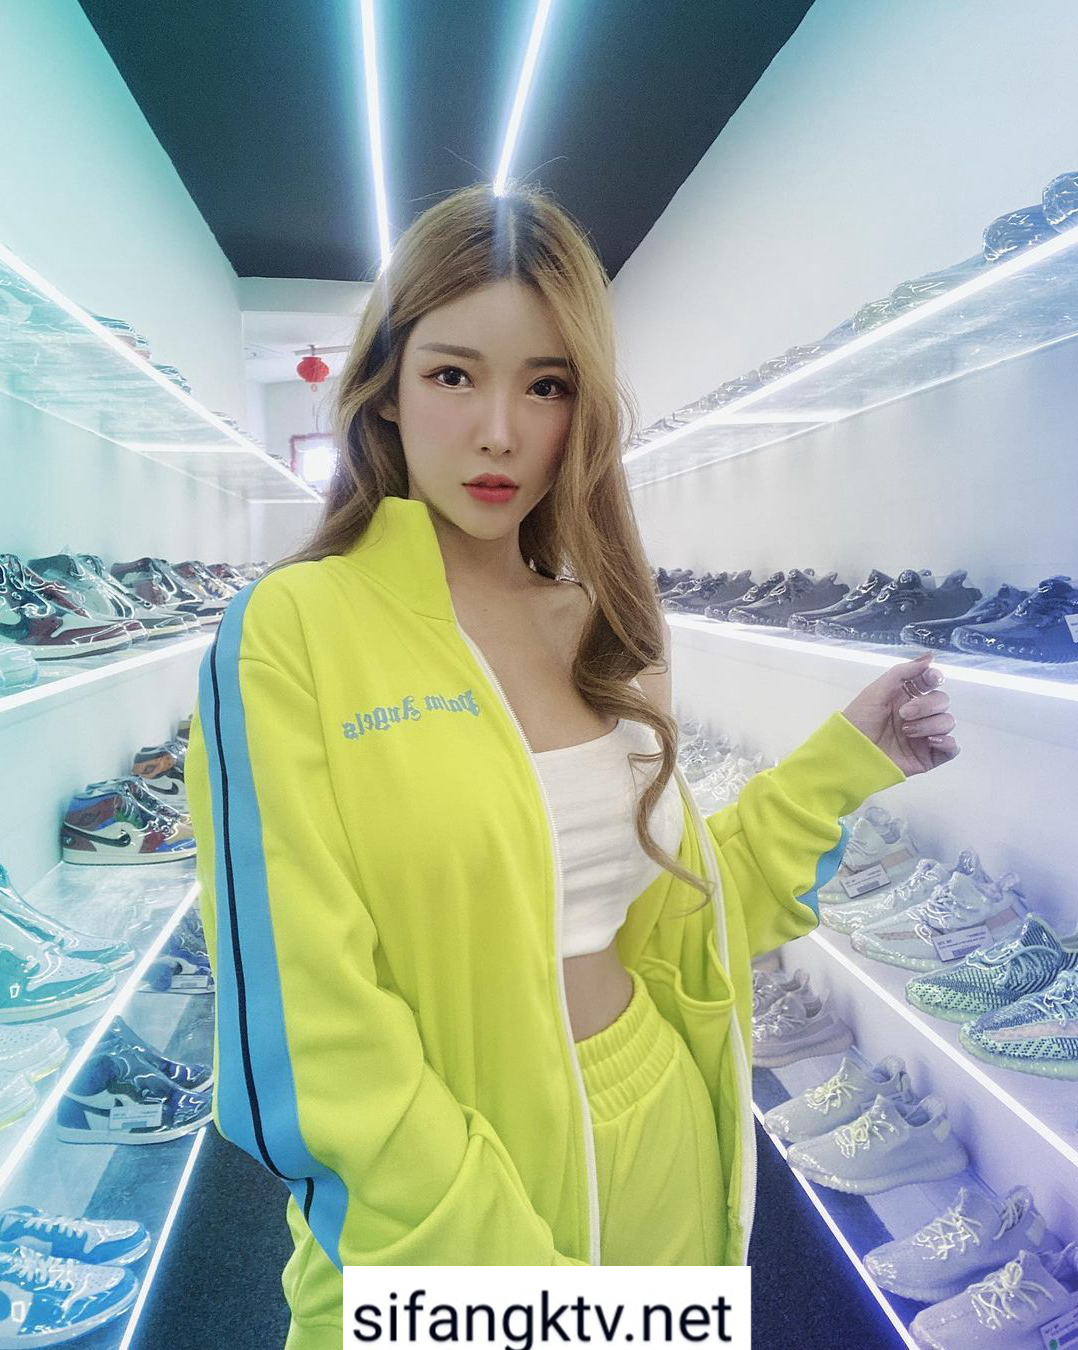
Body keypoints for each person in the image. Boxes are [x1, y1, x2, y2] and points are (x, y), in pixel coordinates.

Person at [184, 183, 959, 1349]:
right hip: (437, 1205)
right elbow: (307, 1038)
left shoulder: (603, 629)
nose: (501, 430)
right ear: (386, 388)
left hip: (661, 1135)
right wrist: (517, 1290)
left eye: (546, 385)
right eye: (454, 374)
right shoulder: (293, 631)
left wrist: (845, 764)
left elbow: (684, 921)